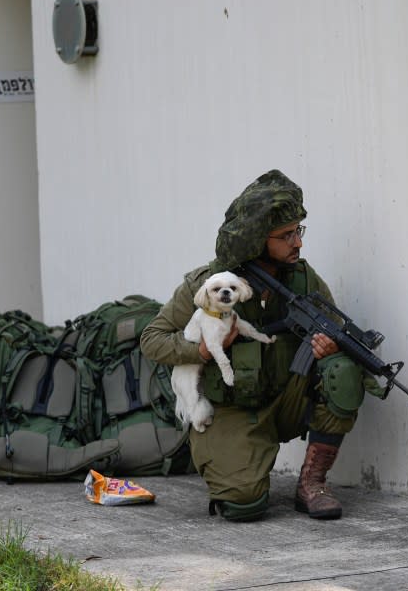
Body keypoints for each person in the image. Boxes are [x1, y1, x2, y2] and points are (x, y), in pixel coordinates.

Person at [140, 169, 383, 522]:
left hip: (287, 399)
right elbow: (152, 340)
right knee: (243, 505)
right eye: (285, 235)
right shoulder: (210, 284)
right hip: (232, 410)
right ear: (256, 240)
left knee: (342, 370)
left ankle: (312, 484)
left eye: (298, 231)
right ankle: (240, 462)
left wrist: (331, 350)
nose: (297, 243)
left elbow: (336, 331)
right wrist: (202, 352)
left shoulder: (303, 278)